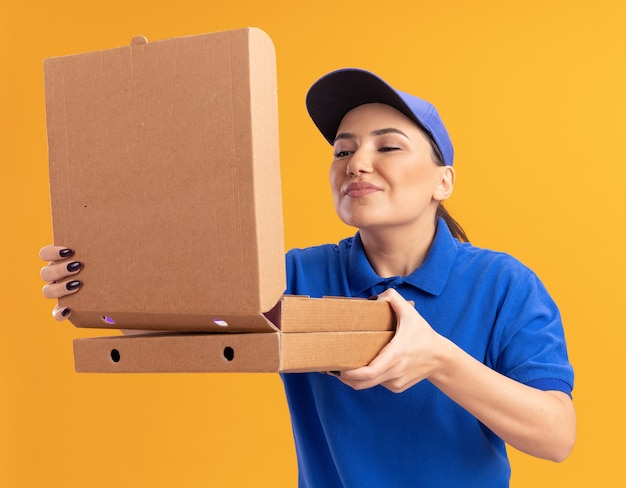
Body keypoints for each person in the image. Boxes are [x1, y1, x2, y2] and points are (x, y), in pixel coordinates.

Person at [40, 68, 575, 487]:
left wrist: (436, 357)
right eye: (343, 150)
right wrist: (99, 290)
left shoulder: (504, 284)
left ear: (443, 181)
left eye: (387, 146)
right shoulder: (293, 274)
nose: (356, 163)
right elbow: (177, 332)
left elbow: (557, 436)